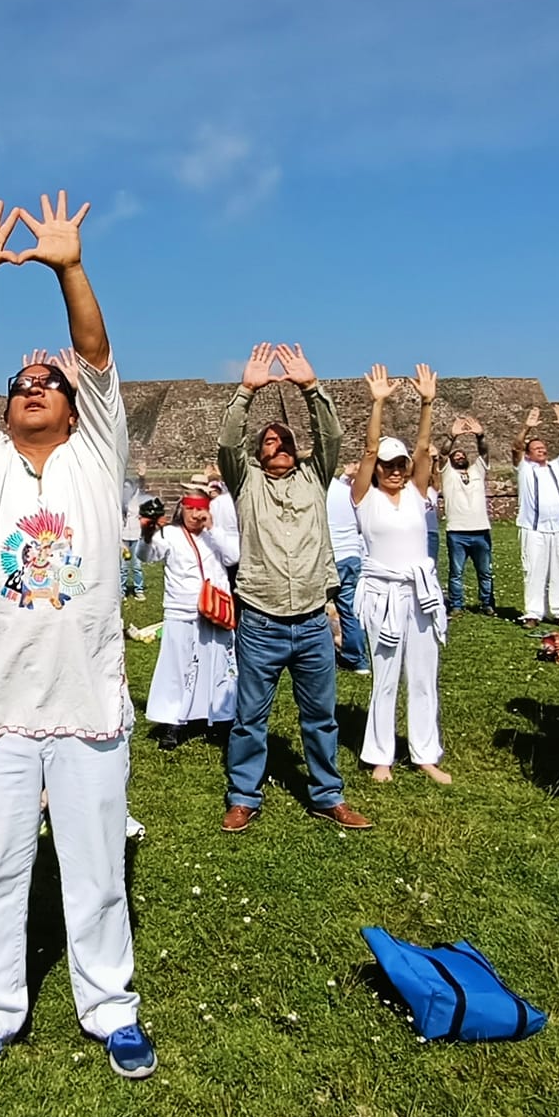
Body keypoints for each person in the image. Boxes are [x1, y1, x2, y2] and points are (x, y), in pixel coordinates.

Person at [0, 192, 154, 1086]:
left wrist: (69, 265)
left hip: (87, 700)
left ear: (74, 408)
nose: (32, 389)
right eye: (22, 386)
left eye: (48, 385)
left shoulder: (97, 455)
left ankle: (110, 1008)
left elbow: (97, 355)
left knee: (97, 869)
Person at [218, 342, 372, 833]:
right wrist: (246, 391)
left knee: (321, 716)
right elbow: (226, 443)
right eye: (268, 441)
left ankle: (328, 795)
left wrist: (310, 388)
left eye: (285, 439)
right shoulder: (246, 483)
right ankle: (244, 795)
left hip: (310, 619)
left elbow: (332, 435)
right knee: (249, 717)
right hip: (261, 618)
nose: (278, 445)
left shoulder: (314, 476)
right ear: (258, 454)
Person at [351, 364, 449, 784]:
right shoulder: (363, 498)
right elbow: (370, 449)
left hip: (420, 593)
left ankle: (425, 753)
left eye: (400, 464)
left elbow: (425, 447)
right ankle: (381, 756)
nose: (393, 469)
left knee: (424, 675)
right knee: (385, 674)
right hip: (382, 595)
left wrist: (427, 403)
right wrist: (378, 403)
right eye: (387, 464)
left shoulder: (416, 493)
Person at [144, 486, 239, 749]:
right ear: (182, 509)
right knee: (178, 667)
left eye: (201, 509)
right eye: (191, 509)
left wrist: (213, 529)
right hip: (182, 609)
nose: (196, 515)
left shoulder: (215, 535)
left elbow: (233, 557)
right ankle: (174, 720)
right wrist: (147, 532)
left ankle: (220, 718)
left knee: (219, 666)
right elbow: (147, 555)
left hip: (215, 611)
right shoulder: (170, 534)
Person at [512, 404, 559, 626]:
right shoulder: (525, 468)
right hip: (533, 527)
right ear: (529, 454)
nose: (542, 450)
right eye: (537, 448)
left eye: (544, 447)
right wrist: (527, 427)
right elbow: (516, 446)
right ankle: (532, 612)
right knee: (534, 569)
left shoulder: (556, 466)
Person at [440, 417, 496, 613]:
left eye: (462, 455)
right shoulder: (447, 473)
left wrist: (479, 436)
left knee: (486, 571)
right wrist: (452, 436)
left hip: (481, 529)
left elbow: (484, 451)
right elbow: (443, 453)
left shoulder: (477, 470)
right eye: (455, 456)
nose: (459, 456)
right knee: (456, 572)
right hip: (457, 531)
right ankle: (456, 605)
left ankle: (487, 603)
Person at [325, 463, 371, 673]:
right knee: (350, 610)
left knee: (314, 610)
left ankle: (319, 657)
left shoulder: (319, 491)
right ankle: (357, 660)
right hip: (352, 554)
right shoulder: (348, 492)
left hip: (329, 555)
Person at [121, 466, 157, 600]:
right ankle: (122, 590)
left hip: (136, 536)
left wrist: (142, 476)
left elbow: (141, 487)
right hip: (123, 538)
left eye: (128, 487)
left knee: (136, 566)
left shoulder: (136, 499)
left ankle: (138, 589)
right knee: (123, 567)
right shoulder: (119, 502)